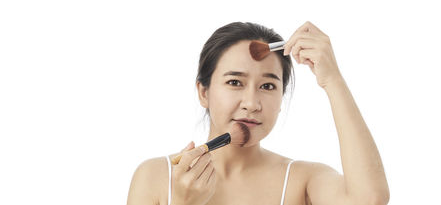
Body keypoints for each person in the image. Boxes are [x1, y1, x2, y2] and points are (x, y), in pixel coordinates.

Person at [126, 21, 390, 205]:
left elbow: (370, 199)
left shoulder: (301, 180)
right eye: (234, 82)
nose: (251, 103)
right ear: (203, 92)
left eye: (267, 86)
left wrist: (333, 81)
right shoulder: (156, 176)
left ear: (281, 98)